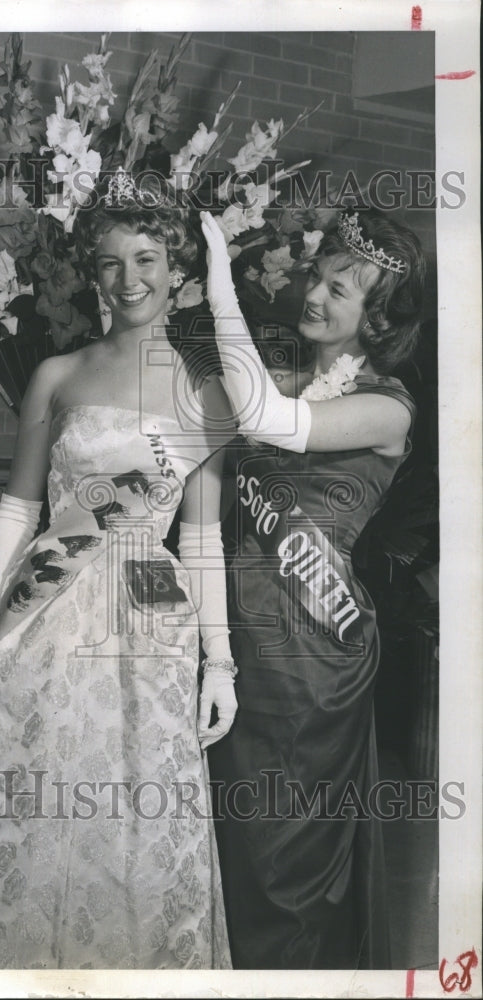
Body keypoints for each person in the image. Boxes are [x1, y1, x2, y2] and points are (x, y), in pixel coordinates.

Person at [0, 170, 236, 970]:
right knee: (24, 797)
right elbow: (17, 511)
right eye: (111, 263)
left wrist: (219, 662)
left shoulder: (210, 392)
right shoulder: (57, 374)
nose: (129, 279)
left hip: (149, 614)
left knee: (138, 813)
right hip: (48, 610)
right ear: (92, 275)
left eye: (146, 259)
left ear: (177, 270)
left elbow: (201, 540)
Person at [200, 207, 427, 969]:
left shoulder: (386, 405)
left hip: (310, 650)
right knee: (222, 839)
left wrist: (219, 282)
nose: (315, 296)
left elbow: (266, 421)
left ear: (379, 317)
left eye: (340, 289)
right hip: (230, 635)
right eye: (317, 278)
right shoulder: (281, 375)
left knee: (284, 852)